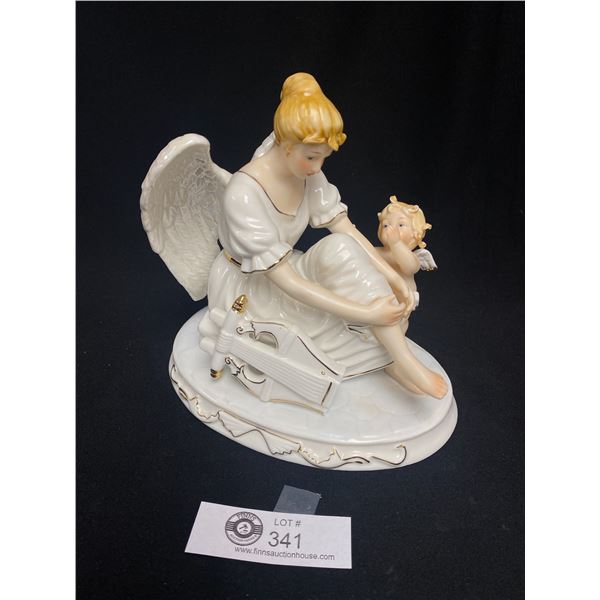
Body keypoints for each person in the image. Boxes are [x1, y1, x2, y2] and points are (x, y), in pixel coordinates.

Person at [208, 73, 447, 398]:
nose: (317, 166)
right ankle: (400, 358)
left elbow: (344, 228)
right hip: (250, 288)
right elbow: (287, 282)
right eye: (311, 156)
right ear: (285, 145)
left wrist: (393, 277)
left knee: (340, 247)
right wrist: (367, 313)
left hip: (285, 268)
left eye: (323, 157)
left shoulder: (305, 169)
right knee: (344, 321)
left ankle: (395, 356)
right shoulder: (243, 194)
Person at [376, 196, 434, 335]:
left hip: (400, 301)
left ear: (416, 234)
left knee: (396, 328)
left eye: (401, 225)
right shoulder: (377, 251)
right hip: (377, 297)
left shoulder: (410, 256)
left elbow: (410, 268)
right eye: (385, 225)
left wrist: (396, 244)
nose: (391, 229)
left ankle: (395, 340)